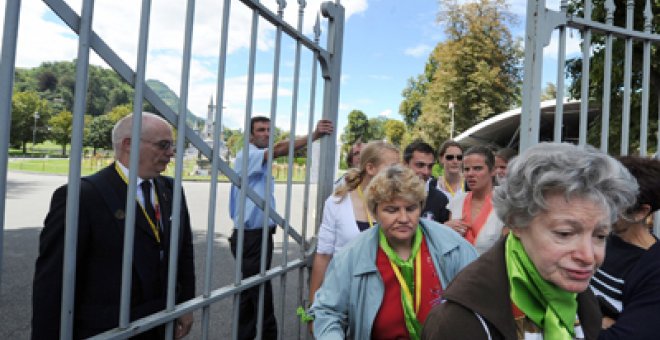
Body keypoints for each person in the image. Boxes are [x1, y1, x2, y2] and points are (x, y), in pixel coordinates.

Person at [422, 142, 638, 340]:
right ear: (517, 223)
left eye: (600, 236)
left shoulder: (581, 297)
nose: (589, 256)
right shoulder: (457, 323)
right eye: (564, 234)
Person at [32, 113, 196, 339]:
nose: (171, 153)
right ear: (129, 144)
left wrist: (186, 305)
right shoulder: (83, 195)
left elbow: (184, 252)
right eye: (163, 145)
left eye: (172, 145)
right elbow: (53, 281)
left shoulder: (170, 189)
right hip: (108, 329)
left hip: (160, 322)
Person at [311, 165, 477, 339]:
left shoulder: (453, 246)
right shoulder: (351, 256)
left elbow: (479, 301)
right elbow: (327, 313)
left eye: (411, 208)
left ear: (421, 207)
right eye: (391, 210)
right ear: (374, 212)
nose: (404, 218)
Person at [229, 116, 333, 340]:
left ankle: (244, 334)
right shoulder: (248, 154)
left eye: (268, 129)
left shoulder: (255, 156)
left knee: (250, 291)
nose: (266, 133)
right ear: (249, 135)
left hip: (256, 235)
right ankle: (268, 335)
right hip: (251, 237)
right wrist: (314, 136)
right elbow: (279, 149)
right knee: (259, 291)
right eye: (260, 130)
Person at [308, 141, 401, 310]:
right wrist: (314, 305)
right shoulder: (337, 202)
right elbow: (323, 255)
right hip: (343, 294)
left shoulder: (399, 204)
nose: (398, 174)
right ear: (370, 168)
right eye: (392, 168)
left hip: (385, 296)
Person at [590, 156, 660, 339]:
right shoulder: (594, 237)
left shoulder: (653, 270)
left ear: (640, 212)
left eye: (613, 203)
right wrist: (597, 320)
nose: (600, 207)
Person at [445, 146, 503, 254]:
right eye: (466, 169)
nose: (470, 174)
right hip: (459, 269)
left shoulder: (504, 203)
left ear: (493, 171)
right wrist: (445, 230)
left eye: (477, 168)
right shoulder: (456, 202)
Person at [403, 139, 450, 223]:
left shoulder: (441, 200)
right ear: (405, 165)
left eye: (430, 166)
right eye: (420, 165)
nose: (426, 172)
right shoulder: (391, 195)